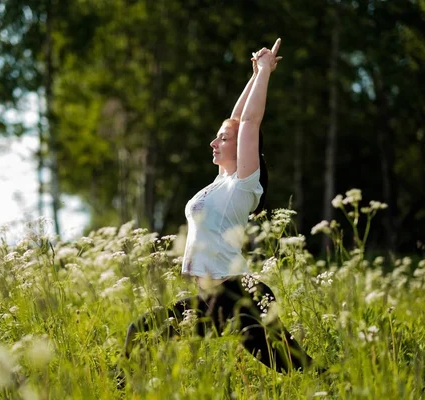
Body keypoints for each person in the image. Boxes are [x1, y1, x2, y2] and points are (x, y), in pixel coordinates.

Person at [120, 39, 316, 379]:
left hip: (237, 294)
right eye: (217, 137)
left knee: (293, 366)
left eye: (221, 139)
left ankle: (343, 385)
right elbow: (237, 118)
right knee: (142, 332)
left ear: (241, 149)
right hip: (213, 297)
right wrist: (253, 74)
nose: (214, 142)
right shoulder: (221, 181)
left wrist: (266, 72)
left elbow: (248, 123)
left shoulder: (243, 184)